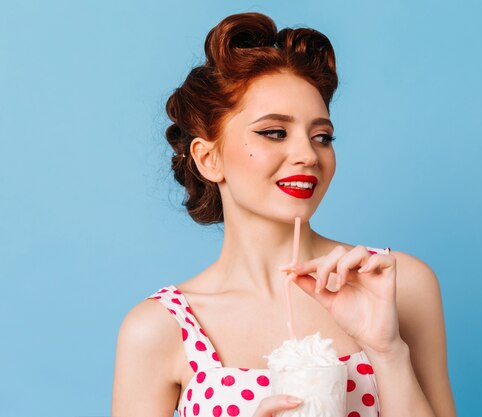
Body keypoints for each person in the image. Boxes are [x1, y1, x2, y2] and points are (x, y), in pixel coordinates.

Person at [112, 12, 456, 417]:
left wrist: (386, 350)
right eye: (274, 132)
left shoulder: (395, 285)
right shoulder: (159, 329)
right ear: (208, 159)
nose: (308, 155)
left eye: (321, 136)